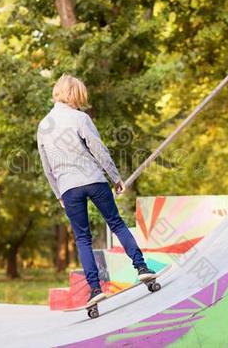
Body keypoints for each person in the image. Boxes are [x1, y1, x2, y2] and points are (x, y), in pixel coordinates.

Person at [37, 73, 155, 305]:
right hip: (93, 179)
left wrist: (58, 193)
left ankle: (94, 290)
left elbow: (46, 165)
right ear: (74, 95)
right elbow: (98, 150)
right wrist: (115, 177)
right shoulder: (80, 118)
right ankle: (141, 267)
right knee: (116, 224)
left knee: (82, 239)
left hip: (68, 187)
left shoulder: (43, 126)